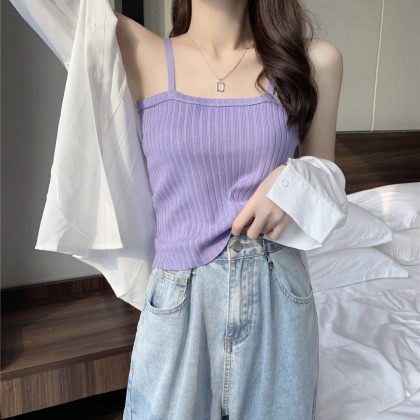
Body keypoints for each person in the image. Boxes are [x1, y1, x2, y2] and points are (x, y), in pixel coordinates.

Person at [9, 0, 345, 419]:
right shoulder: (137, 49)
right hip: (179, 296)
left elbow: (328, 178)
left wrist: (295, 181)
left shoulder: (314, 61)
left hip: (278, 291)